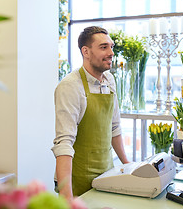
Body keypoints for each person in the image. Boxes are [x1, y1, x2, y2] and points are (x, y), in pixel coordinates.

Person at [52, 26, 130, 201]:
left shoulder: (110, 80)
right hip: (77, 179)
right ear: (85, 51)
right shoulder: (70, 86)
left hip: (106, 175)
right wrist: (66, 196)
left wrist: (128, 166)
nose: (111, 52)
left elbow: (114, 127)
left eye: (112, 46)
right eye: (104, 47)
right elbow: (64, 143)